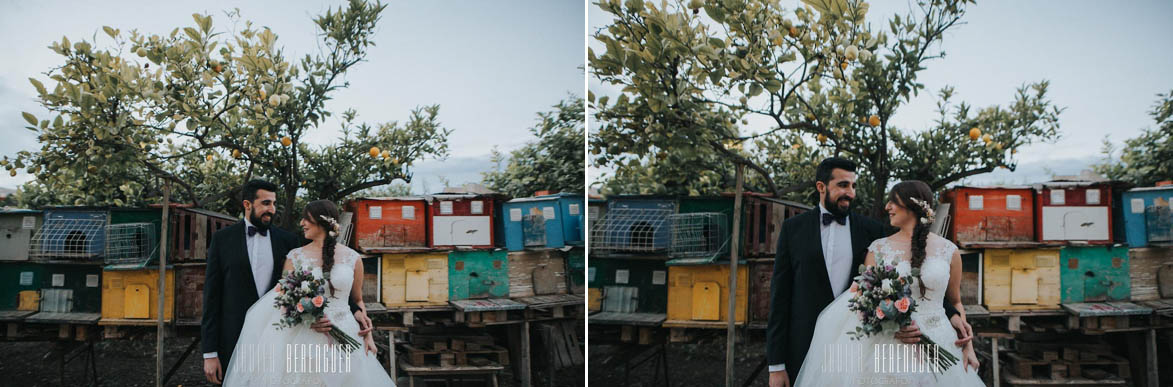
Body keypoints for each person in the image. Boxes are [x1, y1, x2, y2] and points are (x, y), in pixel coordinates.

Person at [766, 159, 974, 387]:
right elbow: (780, 298)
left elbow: (914, 279)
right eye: (844, 185)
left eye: (854, 186)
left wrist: (952, 314)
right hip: (804, 339)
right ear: (821, 187)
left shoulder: (873, 232)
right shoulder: (793, 229)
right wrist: (776, 365)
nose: (851, 193)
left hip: (861, 341)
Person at [201, 180, 373, 384]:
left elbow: (319, 281)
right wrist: (209, 353)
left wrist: (355, 310)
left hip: (281, 335)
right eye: (266, 203)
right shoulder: (222, 240)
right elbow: (211, 298)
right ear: (247, 205)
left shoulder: (288, 242)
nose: (272, 209)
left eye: (274, 204)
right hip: (233, 333)